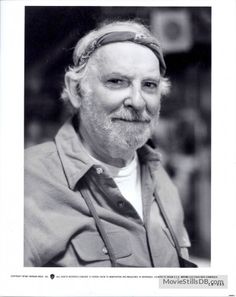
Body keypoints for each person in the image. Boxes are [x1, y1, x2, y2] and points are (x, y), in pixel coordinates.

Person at [24, 20, 197, 267]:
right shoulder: (24, 182)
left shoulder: (161, 179)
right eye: (117, 81)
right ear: (76, 91)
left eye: (149, 85)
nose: (138, 102)